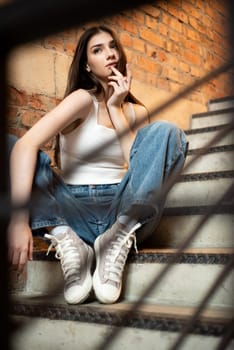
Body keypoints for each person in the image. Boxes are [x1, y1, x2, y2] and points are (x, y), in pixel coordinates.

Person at [7, 25, 188, 305]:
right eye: (98, 49)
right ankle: (67, 239)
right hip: (73, 209)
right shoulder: (82, 99)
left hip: (124, 209)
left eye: (112, 46)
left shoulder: (136, 111)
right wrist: (18, 221)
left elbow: (137, 165)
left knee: (166, 132)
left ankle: (117, 237)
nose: (110, 53)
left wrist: (116, 108)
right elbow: (25, 145)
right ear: (87, 65)